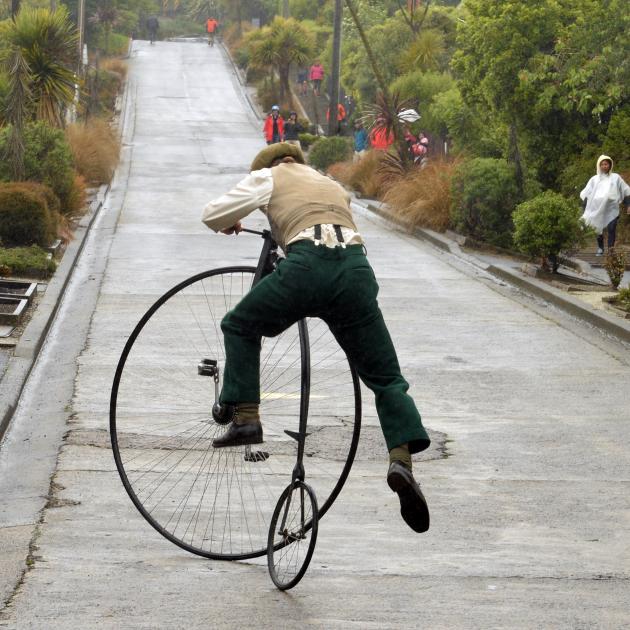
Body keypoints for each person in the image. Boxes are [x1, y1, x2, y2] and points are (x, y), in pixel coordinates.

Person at [200, 142, 431, 534]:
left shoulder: (268, 176)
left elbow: (213, 214)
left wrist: (230, 221)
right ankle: (400, 460)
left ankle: (246, 417)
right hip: (356, 271)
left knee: (239, 324)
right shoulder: (330, 183)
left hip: (308, 266)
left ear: (269, 165)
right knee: (385, 377)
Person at [580, 155, 630, 255]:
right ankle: (600, 248)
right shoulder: (594, 179)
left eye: (606, 164)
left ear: (610, 165)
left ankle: (611, 249)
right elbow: (587, 194)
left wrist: (628, 205)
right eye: (602, 164)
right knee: (598, 229)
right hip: (597, 209)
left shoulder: (616, 178)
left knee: (612, 228)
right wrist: (584, 209)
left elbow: (625, 191)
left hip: (612, 208)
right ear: (599, 166)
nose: (604, 166)